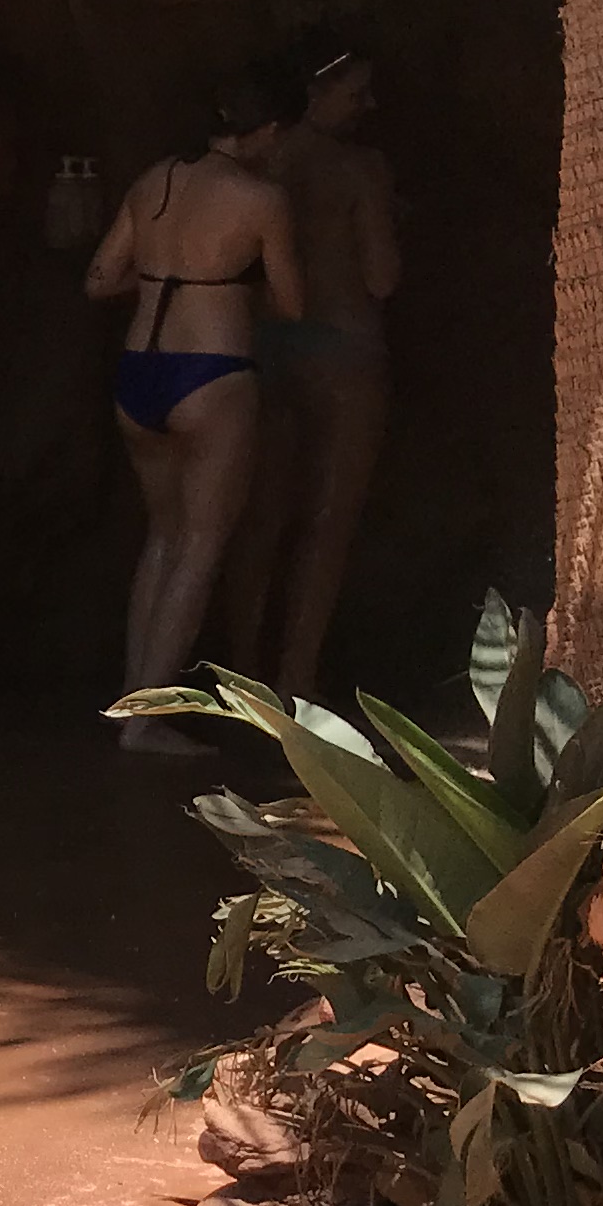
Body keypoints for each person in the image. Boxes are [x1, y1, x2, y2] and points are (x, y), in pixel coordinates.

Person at [84, 77, 303, 753]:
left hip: (138, 372)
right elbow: (293, 303)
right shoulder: (261, 197)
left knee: (162, 538)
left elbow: (99, 279)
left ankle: (131, 704)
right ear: (268, 131)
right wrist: (233, 288)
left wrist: (161, 276)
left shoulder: (155, 181)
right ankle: (145, 724)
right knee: (200, 548)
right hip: (213, 373)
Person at [227, 48, 401, 700]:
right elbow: (381, 276)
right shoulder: (359, 168)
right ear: (317, 91)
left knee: (259, 514)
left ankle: (238, 670)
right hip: (343, 351)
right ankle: (296, 677)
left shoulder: (257, 160)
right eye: (356, 93)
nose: (368, 107)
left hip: (264, 345)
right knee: (327, 521)